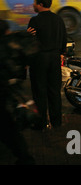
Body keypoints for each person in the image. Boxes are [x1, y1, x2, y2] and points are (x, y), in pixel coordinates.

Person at [27, 0, 67, 129]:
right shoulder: (58, 19)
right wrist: (61, 52)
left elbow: (31, 43)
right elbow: (64, 38)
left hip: (39, 59)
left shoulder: (35, 21)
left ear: (40, 5)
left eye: (35, 2)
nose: (33, 4)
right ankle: (56, 122)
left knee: (39, 91)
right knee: (54, 91)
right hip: (55, 58)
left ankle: (41, 122)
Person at [0, 19, 36, 164]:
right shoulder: (9, 44)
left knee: (7, 129)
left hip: (3, 94)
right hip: (5, 93)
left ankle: (25, 158)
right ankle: (24, 157)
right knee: (9, 130)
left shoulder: (4, 46)